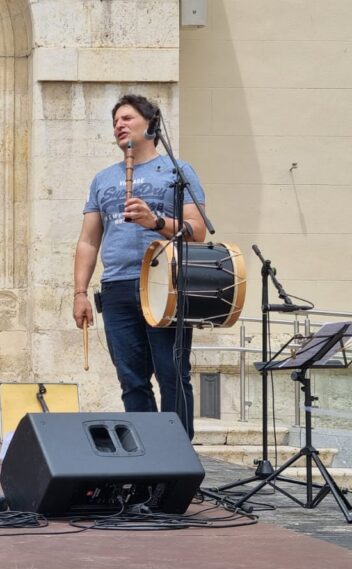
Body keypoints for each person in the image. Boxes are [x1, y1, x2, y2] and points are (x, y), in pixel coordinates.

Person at [72, 94, 207, 438]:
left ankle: (177, 457)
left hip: (165, 283)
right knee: (131, 379)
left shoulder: (177, 171)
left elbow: (198, 231)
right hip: (117, 286)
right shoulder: (102, 179)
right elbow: (88, 240)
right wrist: (80, 292)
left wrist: (155, 222)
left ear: (151, 124)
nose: (119, 125)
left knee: (171, 373)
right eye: (115, 121)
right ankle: (145, 457)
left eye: (127, 118)